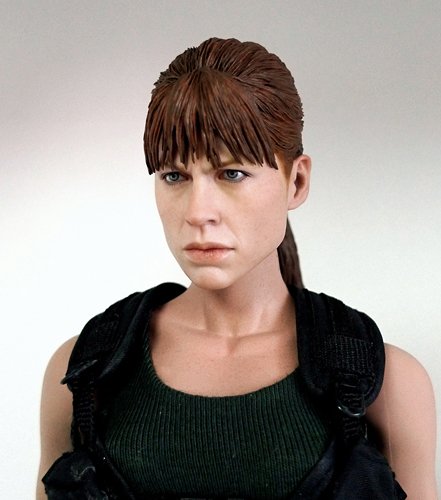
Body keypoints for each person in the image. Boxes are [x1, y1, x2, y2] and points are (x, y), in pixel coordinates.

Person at [37, 38, 437, 499]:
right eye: (174, 176)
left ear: (296, 181)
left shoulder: (385, 383)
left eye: (232, 174)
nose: (198, 212)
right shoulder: (83, 372)